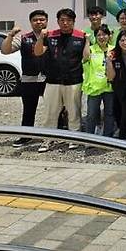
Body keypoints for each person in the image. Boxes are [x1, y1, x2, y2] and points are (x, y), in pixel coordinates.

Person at [34, 8, 90, 153]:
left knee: (74, 112)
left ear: (73, 21)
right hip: (53, 81)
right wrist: (40, 37)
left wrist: (88, 40)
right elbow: (38, 52)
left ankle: (74, 139)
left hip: (74, 80)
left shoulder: (81, 36)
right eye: (62, 20)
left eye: (69, 20)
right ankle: (47, 140)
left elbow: (86, 57)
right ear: (58, 21)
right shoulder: (50, 35)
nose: (65, 23)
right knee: (50, 112)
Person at [1, 10, 48, 148]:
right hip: (29, 79)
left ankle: (58, 135)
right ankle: (26, 136)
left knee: (55, 109)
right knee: (28, 109)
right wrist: (10, 35)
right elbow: (5, 50)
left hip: (49, 79)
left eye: (42, 19)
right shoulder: (23, 38)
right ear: (31, 22)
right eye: (35, 20)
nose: (39, 22)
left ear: (47, 21)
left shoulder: (52, 37)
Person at [82, 25, 115, 137]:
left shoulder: (113, 49)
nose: (102, 37)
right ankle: (89, 137)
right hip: (94, 88)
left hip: (110, 87)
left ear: (109, 36)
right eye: (99, 35)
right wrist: (87, 41)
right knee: (91, 114)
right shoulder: (91, 49)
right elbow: (85, 58)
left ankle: (108, 137)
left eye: (104, 34)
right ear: (95, 37)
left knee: (109, 113)